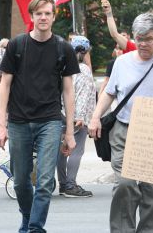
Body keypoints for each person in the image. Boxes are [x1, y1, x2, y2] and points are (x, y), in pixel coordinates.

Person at [88, 12, 153, 233]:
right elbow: (109, 94)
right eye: (138, 38)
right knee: (125, 184)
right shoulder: (122, 62)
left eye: (148, 39)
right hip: (125, 131)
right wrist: (95, 117)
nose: (142, 44)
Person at [0, 0, 80, 233]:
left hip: (50, 122)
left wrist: (70, 132)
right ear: (31, 16)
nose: (43, 17)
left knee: (44, 182)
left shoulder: (63, 48)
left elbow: (68, 91)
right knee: (21, 181)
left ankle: (34, 228)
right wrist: (1, 125)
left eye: (47, 13)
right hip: (19, 122)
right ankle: (27, 217)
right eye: (38, 13)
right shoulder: (17, 45)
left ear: (54, 17)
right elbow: (5, 85)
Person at [57, 36, 96, 198]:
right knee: (75, 151)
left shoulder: (64, 67)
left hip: (60, 114)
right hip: (76, 117)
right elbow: (83, 95)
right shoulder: (84, 70)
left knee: (61, 151)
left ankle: (63, 183)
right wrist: (79, 116)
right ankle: (70, 185)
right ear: (86, 51)